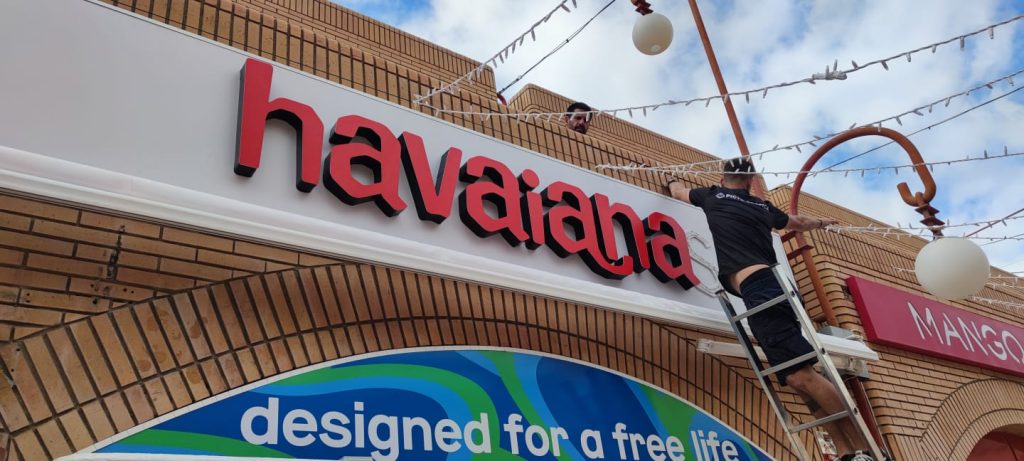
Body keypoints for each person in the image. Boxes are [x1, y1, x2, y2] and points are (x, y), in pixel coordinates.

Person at [668, 157, 878, 461]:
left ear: (723, 178)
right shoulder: (761, 206)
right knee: (798, 379)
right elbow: (799, 222)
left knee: (800, 376)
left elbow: (678, 192)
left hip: (762, 289)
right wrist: (822, 223)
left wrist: (672, 180)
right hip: (771, 288)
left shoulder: (712, 195)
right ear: (750, 181)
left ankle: (865, 450)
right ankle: (845, 451)